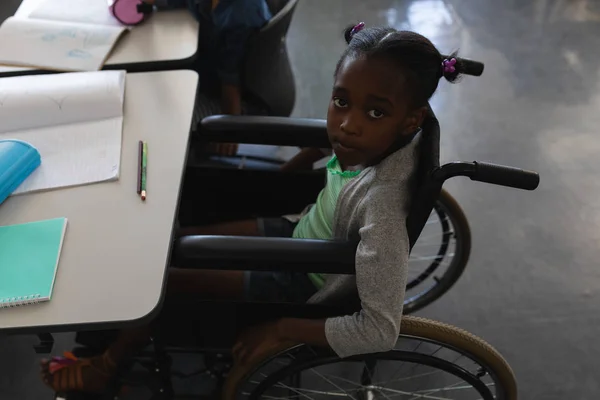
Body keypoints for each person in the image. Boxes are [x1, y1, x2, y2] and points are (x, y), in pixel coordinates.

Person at [40, 23, 466, 393]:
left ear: (412, 121)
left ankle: (106, 366)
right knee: (169, 242)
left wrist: (284, 328)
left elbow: (380, 329)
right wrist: (297, 169)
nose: (348, 125)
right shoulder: (376, 141)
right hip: (298, 232)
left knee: (157, 278)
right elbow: (338, 147)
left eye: (375, 112)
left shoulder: (385, 209)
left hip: (300, 280)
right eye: (341, 102)